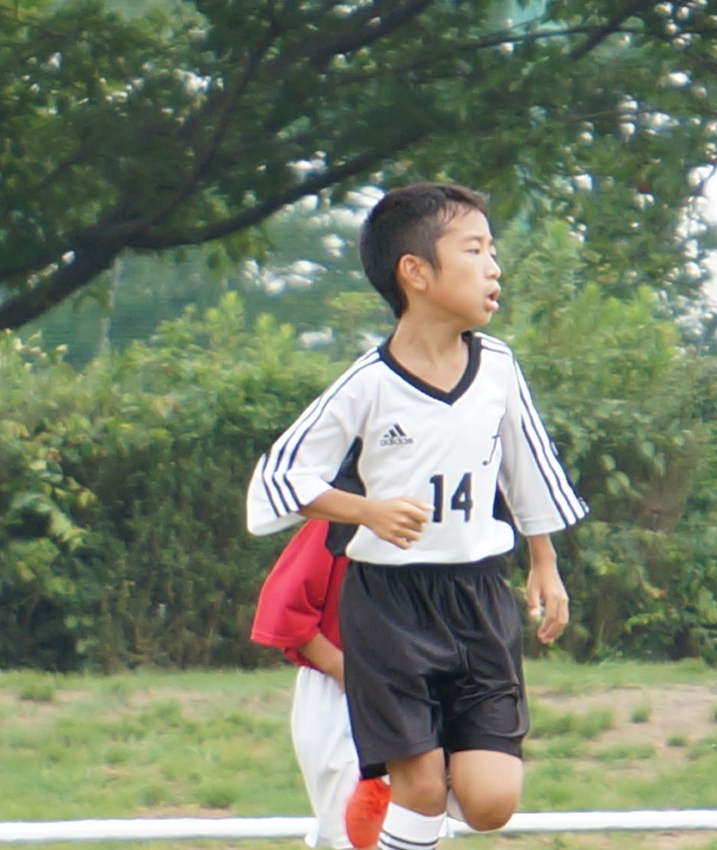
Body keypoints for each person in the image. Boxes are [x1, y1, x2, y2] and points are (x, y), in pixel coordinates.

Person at [246, 182, 587, 850]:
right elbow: (276, 483)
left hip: (478, 597)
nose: (494, 268)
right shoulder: (367, 383)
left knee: (490, 802)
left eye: (492, 251)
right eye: (475, 250)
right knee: (422, 789)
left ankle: (394, 813)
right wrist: (365, 510)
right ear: (416, 272)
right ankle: (396, 801)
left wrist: (544, 562)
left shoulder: (498, 367)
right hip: (389, 606)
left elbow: (530, 468)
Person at [250, 519, 391, 849]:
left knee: (414, 833)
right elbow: (284, 606)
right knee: (358, 839)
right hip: (341, 697)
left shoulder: (447, 523)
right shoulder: (342, 518)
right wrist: (349, 675)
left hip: (416, 693)